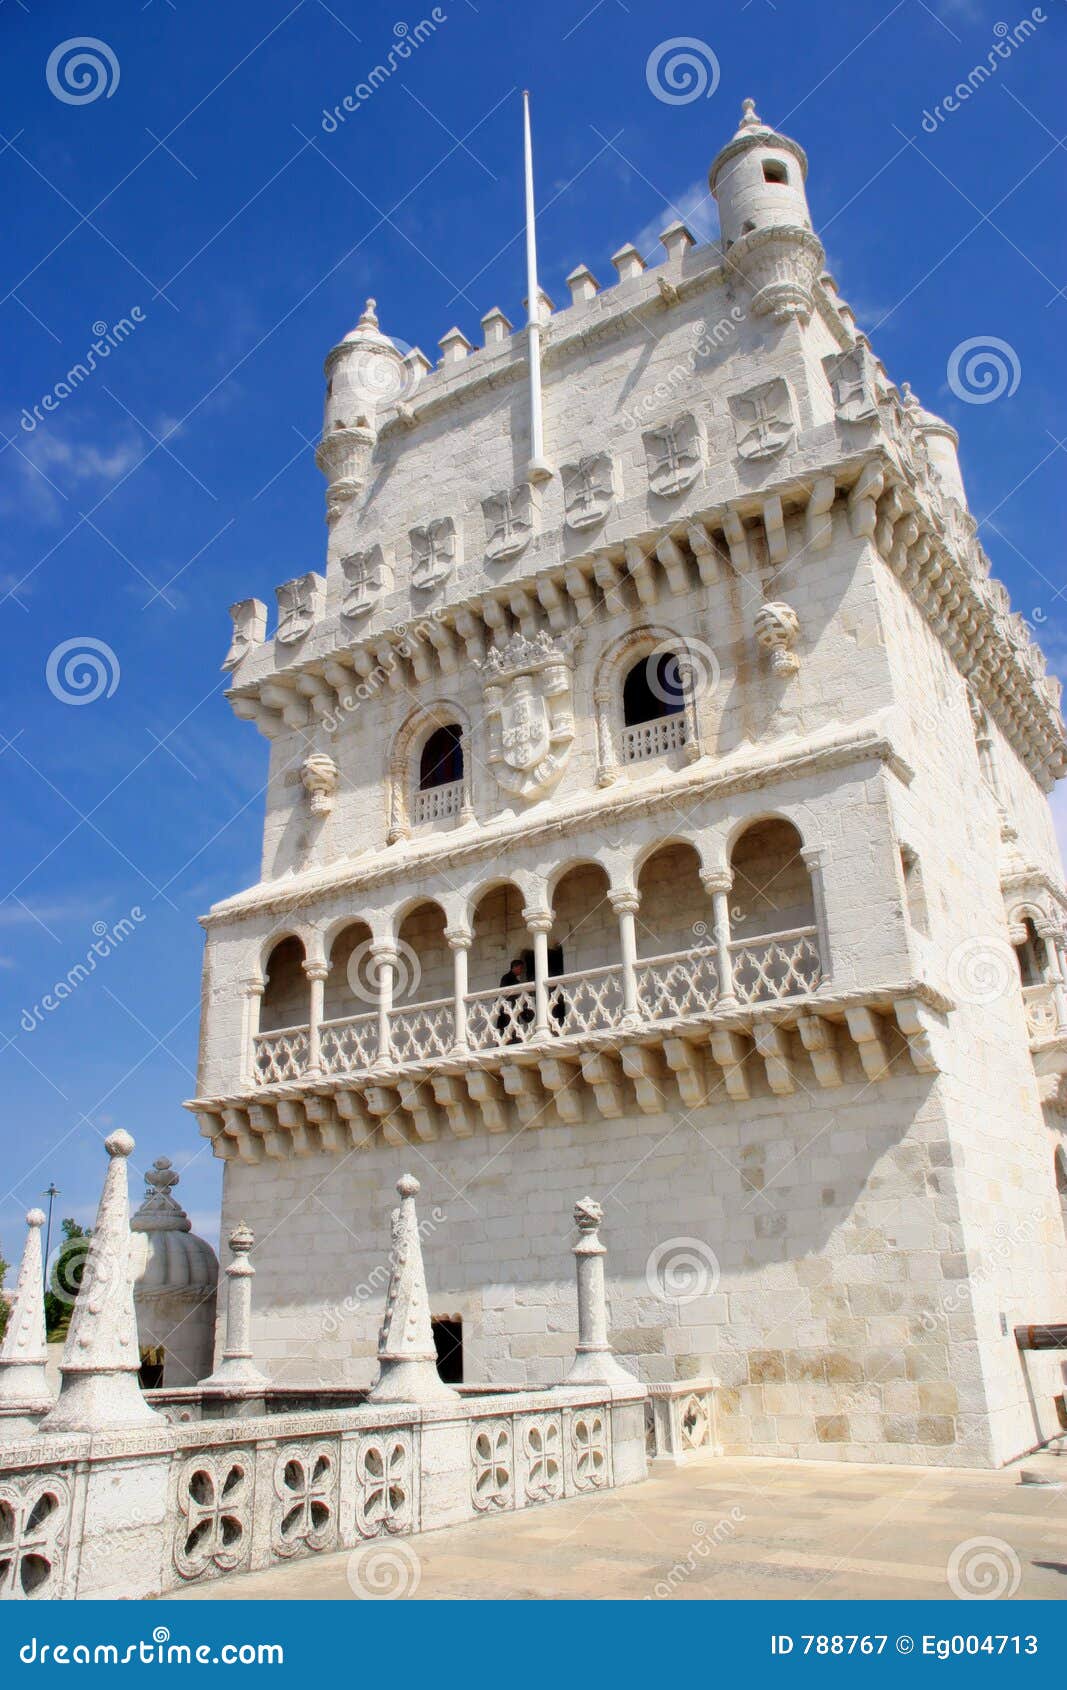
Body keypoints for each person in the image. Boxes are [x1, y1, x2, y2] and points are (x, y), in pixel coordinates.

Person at [496, 958, 533, 1041]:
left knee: (513, 1027)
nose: (521, 971)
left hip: (512, 1007)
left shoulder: (514, 979)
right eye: (520, 968)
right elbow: (505, 992)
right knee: (507, 1029)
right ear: (514, 967)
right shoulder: (506, 978)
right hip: (506, 1008)